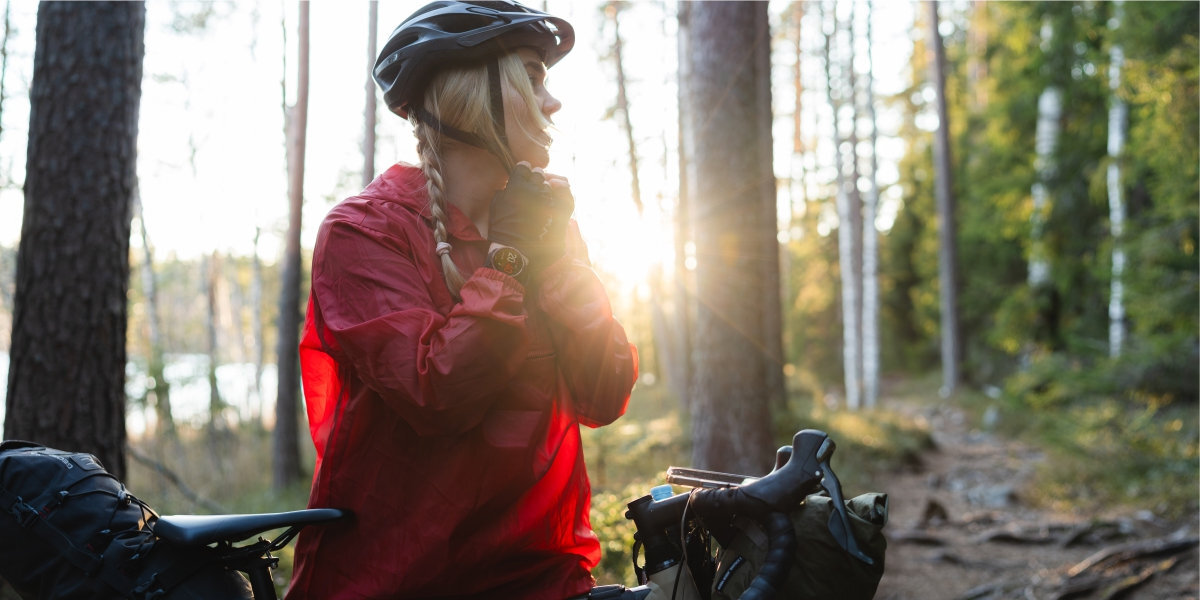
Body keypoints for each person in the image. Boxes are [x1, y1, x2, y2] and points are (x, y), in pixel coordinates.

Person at [285, 2, 639, 599]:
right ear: (472, 94)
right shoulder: (364, 231)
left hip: (545, 578)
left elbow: (603, 394)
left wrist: (556, 266)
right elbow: (439, 392)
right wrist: (511, 258)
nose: (552, 103)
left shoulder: (545, 222)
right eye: (531, 76)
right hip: (394, 582)